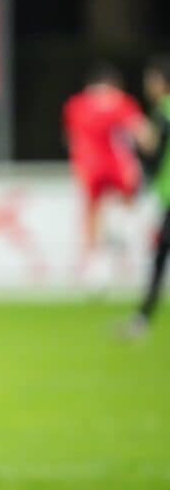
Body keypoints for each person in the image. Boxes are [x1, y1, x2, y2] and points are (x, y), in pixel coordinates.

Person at [62, 63, 154, 285]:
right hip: (118, 165)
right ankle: (123, 244)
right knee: (129, 206)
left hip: (88, 167)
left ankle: (94, 264)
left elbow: (71, 138)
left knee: (92, 212)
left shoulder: (76, 104)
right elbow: (143, 134)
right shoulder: (121, 101)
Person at [122, 56, 170, 336]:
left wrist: (137, 150)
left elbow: (155, 155)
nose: (147, 85)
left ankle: (141, 320)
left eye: (151, 79)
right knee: (160, 253)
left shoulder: (164, 112)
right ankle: (142, 318)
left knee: (160, 255)